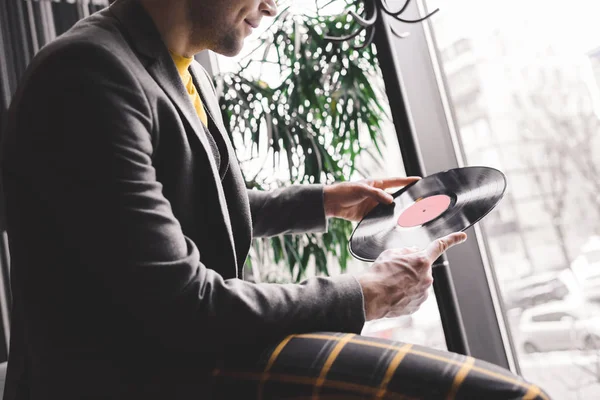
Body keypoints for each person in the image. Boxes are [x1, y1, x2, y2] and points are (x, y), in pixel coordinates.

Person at [0, 0, 550, 398]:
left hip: (186, 362)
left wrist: (323, 202)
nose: (274, 5)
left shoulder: (183, 66)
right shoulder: (87, 75)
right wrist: (368, 294)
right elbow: (184, 305)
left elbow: (191, 205)